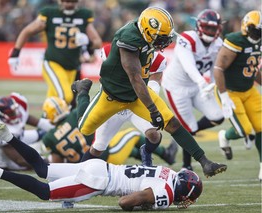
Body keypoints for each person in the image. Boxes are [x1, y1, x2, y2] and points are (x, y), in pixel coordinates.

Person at [77, 6, 227, 177]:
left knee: (172, 123)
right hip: (112, 97)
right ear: (148, 31)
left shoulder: (147, 37)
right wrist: (153, 110)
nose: (164, 41)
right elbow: (135, 78)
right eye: (161, 37)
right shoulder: (128, 40)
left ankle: (205, 162)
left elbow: (146, 80)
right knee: (86, 131)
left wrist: (153, 107)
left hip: (136, 96)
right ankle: (82, 92)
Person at [0, 123, 203, 211]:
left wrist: (144, 199)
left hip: (100, 166)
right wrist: (143, 204)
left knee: (42, 169)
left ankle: (8, 136)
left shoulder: (170, 173)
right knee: (45, 192)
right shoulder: (168, 191)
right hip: (99, 182)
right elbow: (124, 202)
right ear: (182, 190)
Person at [84, 43, 177, 166]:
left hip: (136, 104)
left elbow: (153, 85)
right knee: (98, 146)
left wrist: (147, 100)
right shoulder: (110, 52)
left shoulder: (157, 60)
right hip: (113, 104)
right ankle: (78, 173)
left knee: (153, 135)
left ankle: (147, 157)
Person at [41, 80, 176, 165]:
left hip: (88, 157)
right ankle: (165, 155)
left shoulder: (50, 138)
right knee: (132, 135)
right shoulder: (73, 115)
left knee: (117, 140)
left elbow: (57, 162)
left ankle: (148, 159)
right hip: (107, 156)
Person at [161, 9, 225, 171]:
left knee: (217, 116)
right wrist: (202, 83)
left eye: (213, 28)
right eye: (207, 27)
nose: (210, 31)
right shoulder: (187, 39)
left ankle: (182, 135)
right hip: (177, 87)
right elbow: (188, 66)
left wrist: (215, 86)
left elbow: (214, 68)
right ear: (199, 26)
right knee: (189, 128)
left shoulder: (218, 44)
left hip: (197, 86)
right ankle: (186, 166)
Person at [8, 0, 102, 107]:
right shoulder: (49, 13)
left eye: (73, 2)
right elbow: (27, 31)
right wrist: (15, 52)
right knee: (66, 97)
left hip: (72, 67)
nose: (69, 4)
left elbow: (97, 43)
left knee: (54, 101)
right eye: (66, 1)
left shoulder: (83, 15)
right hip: (53, 63)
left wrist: (88, 42)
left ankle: (47, 121)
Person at [213, 10, 262, 180]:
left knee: (261, 127)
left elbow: (253, 69)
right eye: (255, 29)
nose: (258, 33)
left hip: (248, 90)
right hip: (230, 91)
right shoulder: (235, 40)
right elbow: (218, 68)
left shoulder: (259, 42)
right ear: (246, 27)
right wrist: (224, 95)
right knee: (245, 130)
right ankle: (225, 136)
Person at [0, 92, 54, 171]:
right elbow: (20, 160)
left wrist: (54, 127)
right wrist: (46, 162)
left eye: (15, 110)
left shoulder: (17, 108)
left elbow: (27, 118)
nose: (15, 113)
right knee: (37, 163)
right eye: (11, 113)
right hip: (5, 160)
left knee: (43, 133)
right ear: (2, 115)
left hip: (18, 137)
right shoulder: (0, 131)